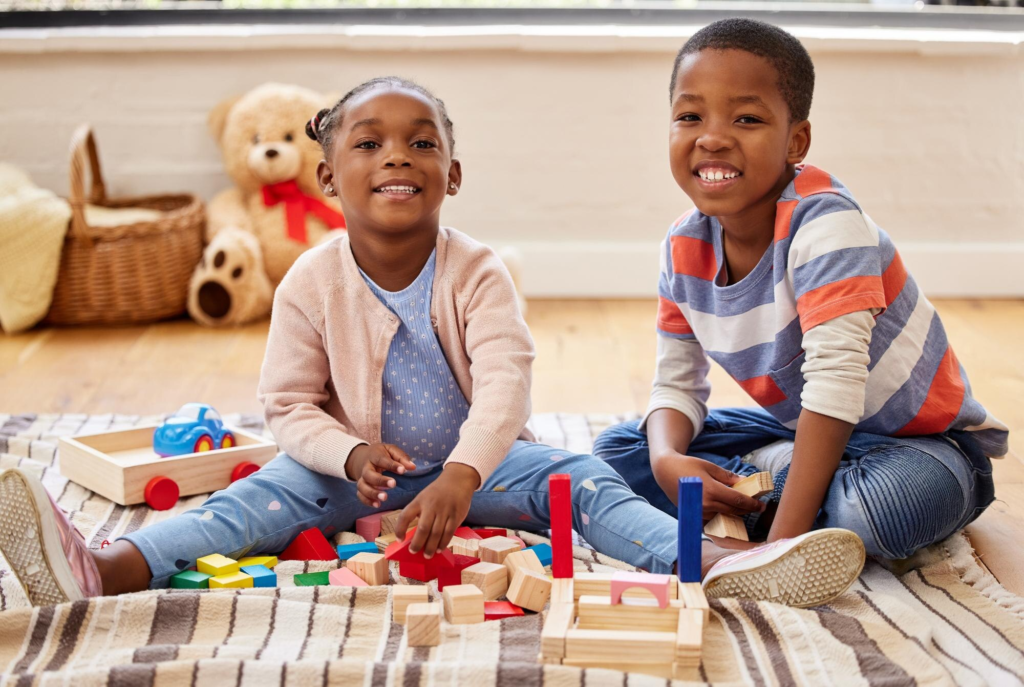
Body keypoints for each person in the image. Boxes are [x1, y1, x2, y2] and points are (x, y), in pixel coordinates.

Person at [4, 77, 838, 608]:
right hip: (358, 475)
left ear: (453, 173)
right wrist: (348, 453)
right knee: (246, 503)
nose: (396, 156)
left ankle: (715, 562)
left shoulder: (476, 272)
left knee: (586, 481)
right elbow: (288, 405)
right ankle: (111, 566)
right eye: (368, 143)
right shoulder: (308, 281)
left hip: (485, 464)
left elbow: (508, 385)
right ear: (328, 178)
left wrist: (466, 474)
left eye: (422, 142)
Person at [593, 19, 1007, 600]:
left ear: (796, 141)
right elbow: (676, 385)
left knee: (882, 509)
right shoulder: (683, 245)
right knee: (619, 451)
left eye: (747, 118)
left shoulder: (828, 225)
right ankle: (777, 476)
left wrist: (777, 551)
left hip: (922, 448)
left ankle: (774, 497)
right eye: (690, 116)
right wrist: (666, 459)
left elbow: (836, 387)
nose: (711, 137)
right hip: (800, 429)